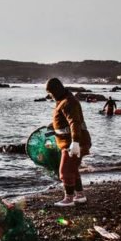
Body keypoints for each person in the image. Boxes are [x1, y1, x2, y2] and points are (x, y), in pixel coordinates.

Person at [46, 78, 92, 207]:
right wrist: (52, 127)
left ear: (57, 90)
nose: (50, 95)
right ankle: (80, 195)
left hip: (74, 142)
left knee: (65, 171)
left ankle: (69, 199)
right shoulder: (63, 101)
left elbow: (74, 122)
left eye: (51, 92)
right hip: (71, 141)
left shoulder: (68, 102)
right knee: (73, 169)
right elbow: (64, 123)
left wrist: (75, 142)